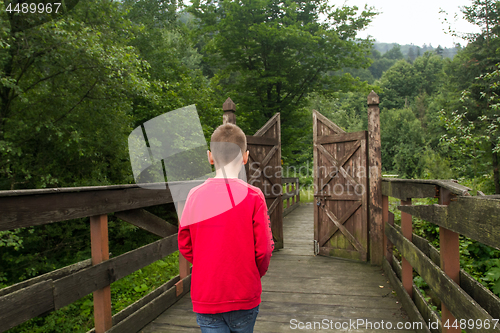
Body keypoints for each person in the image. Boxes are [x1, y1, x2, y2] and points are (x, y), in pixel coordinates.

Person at [178, 123, 274, 333]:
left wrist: (208, 265)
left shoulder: (194, 196)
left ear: (210, 157)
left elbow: (185, 243)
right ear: (245, 157)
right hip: (244, 294)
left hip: (207, 294)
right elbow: (264, 249)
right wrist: (252, 273)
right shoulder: (254, 196)